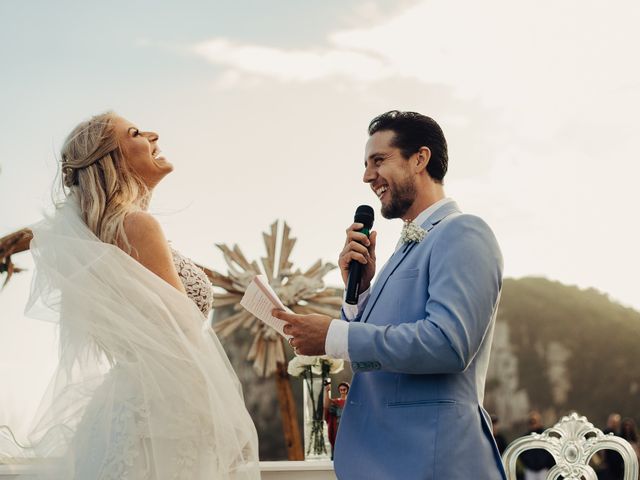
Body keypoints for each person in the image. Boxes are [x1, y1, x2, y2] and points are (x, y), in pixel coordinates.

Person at [1, 112, 259, 478]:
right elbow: (183, 334)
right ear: (113, 160)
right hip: (169, 411)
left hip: (133, 403)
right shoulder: (136, 226)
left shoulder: (105, 234)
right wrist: (225, 418)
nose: (153, 135)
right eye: (135, 133)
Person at [274, 110, 505, 479]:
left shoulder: (464, 232)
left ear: (419, 159)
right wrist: (360, 291)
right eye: (366, 165)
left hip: (431, 463)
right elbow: (379, 347)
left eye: (378, 161)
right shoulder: (404, 249)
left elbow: (448, 343)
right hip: (385, 463)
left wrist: (333, 335)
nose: (367, 176)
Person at [519, 411, 555, 480]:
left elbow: (551, 452)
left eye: (534, 421)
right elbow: (522, 453)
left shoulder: (546, 436)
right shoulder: (525, 437)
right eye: (531, 422)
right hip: (530, 470)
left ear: (539, 422)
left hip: (543, 470)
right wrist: (527, 464)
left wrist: (547, 464)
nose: (533, 424)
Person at [324, 381, 350, 459]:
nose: (342, 391)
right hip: (338, 426)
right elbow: (327, 405)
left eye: (344, 389)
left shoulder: (350, 401)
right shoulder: (336, 402)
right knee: (336, 441)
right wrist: (326, 392)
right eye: (341, 390)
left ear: (347, 390)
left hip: (348, 426)